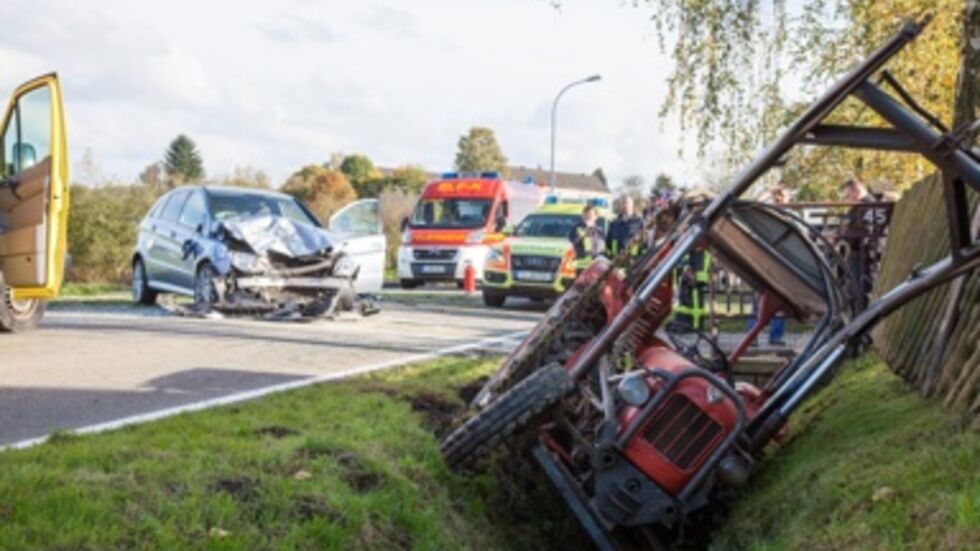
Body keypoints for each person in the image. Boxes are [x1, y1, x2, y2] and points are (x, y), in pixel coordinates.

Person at [747, 183, 789, 345]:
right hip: (774, 261)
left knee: (769, 300)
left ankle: (758, 336)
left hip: (775, 261)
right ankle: (764, 336)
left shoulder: (772, 214)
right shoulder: (775, 214)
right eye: (784, 196)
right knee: (765, 299)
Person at [838, 178, 877, 312]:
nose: (846, 200)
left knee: (857, 288)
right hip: (858, 252)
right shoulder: (861, 206)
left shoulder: (867, 206)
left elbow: (865, 230)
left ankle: (859, 318)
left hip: (862, 253)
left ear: (856, 192)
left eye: (847, 196)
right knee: (852, 287)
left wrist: (843, 233)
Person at [673, 243, 712, 332]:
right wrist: (690, 277)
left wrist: (693, 278)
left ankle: (695, 326)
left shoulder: (705, 254)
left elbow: (708, 270)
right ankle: (688, 325)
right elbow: (684, 266)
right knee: (688, 306)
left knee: (696, 307)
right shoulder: (689, 252)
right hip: (689, 284)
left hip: (698, 284)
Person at [569, 205, 607, 273]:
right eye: (585, 215)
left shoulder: (600, 231)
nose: (588, 217)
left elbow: (603, 247)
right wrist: (586, 228)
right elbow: (573, 241)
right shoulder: (577, 228)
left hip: (596, 265)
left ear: (596, 217)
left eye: (590, 215)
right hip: (582, 266)